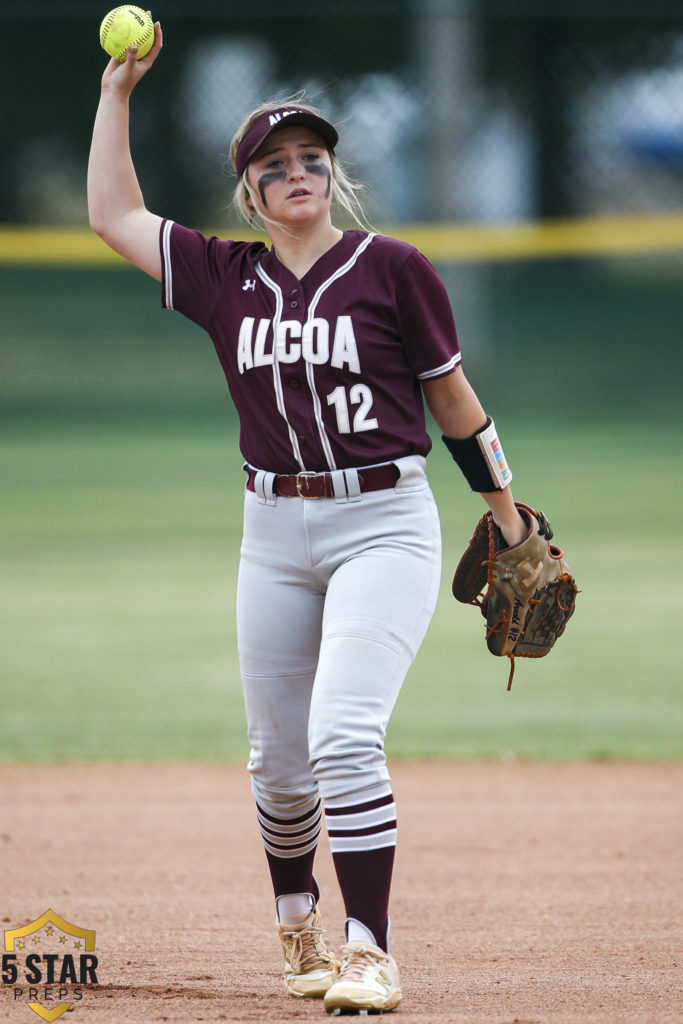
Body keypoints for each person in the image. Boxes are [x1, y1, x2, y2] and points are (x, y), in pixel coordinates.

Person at [88, 20, 526, 1017]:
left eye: (311, 159)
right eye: (274, 164)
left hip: (383, 521)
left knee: (342, 733)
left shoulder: (391, 269)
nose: (296, 173)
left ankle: (367, 948)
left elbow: (452, 400)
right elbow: (113, 212)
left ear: (330, 174)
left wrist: (503, 508)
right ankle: (296, 922)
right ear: (248, 190)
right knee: (277, 763)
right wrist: (118, 93)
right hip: (272, 535)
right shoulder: (222, 276)